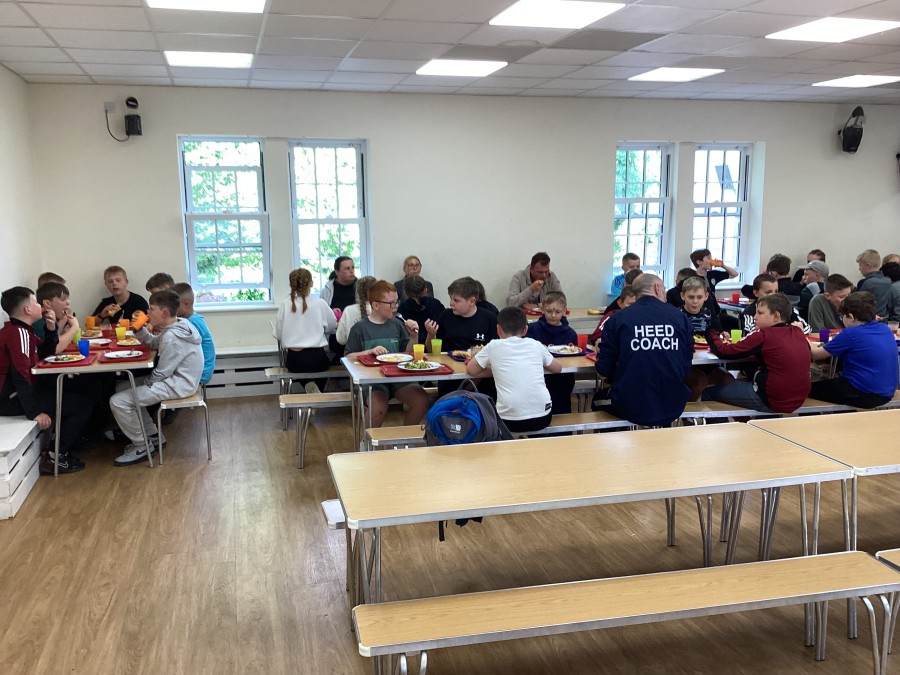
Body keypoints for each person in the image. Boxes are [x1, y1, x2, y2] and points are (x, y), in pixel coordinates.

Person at [0, 287, 97, 474]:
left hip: (22, 392)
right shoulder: (17, 333)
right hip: (10, 399)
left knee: (84, 390)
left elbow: (45, 353)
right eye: (36, 302)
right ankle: (55, 456)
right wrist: (34, 412)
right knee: (81, 405)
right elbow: (21, 376)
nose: (40, 305)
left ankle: (66, 445)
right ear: (28, 309)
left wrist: (51, 329)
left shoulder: (22, 330)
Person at [109, 289, 203, 466]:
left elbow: (162, 372)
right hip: (174, 379)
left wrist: (147, 384)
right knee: (123, 387)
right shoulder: (177, 325)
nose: (147, 312)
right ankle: (152, 434)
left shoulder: (173, 336)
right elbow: (153, 343)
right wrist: (139, 330)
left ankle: (142, 446)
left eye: (151, 309)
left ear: (164, 312)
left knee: (118, 401)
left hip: (178, 384)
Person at [593, 273, 693, 427]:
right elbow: (686, 368)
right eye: (664, 289)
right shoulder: (680, 317)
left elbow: (604, 372)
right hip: (673, 404)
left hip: (630, 405)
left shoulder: (618, 319)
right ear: (657, 288)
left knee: (597, 400)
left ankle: (615, 441)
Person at [703, 293, 811, 413]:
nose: (755, 317)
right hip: (799, 397)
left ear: (776, 316)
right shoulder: (797, 332)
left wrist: (711, 331)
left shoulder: (764, 336)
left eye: (760, 313)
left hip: (772, 400)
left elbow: (723, 351)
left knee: (707, 392)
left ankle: (742, 423)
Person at [344, 280, 429, 428]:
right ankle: (368, 440)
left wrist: (414, 336)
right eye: (391, 303)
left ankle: (404, 437)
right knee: (378, 408)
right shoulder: (360, 328)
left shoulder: (398, 324)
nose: (396, 307)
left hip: (399, 378)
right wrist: (369, 352)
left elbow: (408, 353)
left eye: (397, 302)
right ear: (375, 305)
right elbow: (348, 357)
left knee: (421, 400)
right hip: (373, 382)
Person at [467, 307, 562, 433]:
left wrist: (495, 370)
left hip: (509, 421)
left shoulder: (493, 346)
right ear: (525, 329)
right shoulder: (535, 344)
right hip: (543, 417)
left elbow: (471, 370)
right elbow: (558, 368)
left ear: (498, 329)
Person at [809, 292, 897, 408]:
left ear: (850, 316)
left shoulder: (850, 333)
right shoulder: (884, 328)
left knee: (808, 389)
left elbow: (815, 354)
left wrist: (801, 335)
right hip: (887, 391)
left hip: (864, 394)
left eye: (842, 316)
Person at [425, 277, 498, 397]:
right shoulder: (446, 316)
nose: (451, 303)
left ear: (472, 301)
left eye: (456, 300)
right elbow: (432, 351)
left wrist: (475, 378)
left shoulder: (489, 319)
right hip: (450, 376)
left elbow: (495, 353)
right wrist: (431, 334)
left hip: (481, 378)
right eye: (450, 298)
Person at [275, 269, 337, 394]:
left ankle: (309, 386)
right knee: (326, 366)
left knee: (297, 370)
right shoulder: (320, 303)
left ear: (292, 284)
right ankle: (315, 393)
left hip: (295, 359)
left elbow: (279, 333)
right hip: (317, 358)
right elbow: (332, 326)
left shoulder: (285, 304)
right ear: (311, 283)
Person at [679, 277, 732, 400]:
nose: (695, 301)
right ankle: (688, 411)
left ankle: (718, 411)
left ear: (706, 296)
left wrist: (723, 335)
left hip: (709, 361)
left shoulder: (708, 314)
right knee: (700, 381)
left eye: (699, 297)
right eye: (691, 297)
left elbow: (718, 333)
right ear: (682, 296)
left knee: (729, 380)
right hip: (687, 363)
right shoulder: (677, 315)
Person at [524, 291, 577, 414]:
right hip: (537, 380)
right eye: (549, 311)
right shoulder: (532, 330)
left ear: (564, 311)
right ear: (542, 310)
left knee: (562, 413)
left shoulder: (570, 334)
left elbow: (574, 360)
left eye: (557, 312)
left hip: (562, 381)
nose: (553, 315)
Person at [173, 282, 215, 387]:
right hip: (197, 369)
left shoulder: (192, 322)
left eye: (174, 305)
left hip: (200, 373)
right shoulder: (190, 319)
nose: (171, 308)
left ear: (186, 304)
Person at [740, 274, 809, 335]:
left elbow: (806, 329)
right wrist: (788, 330)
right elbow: (752, 335)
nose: (773, 295)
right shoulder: (749, 312)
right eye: (768, 292)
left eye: (776, 291)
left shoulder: (787, 309)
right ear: (756, 293)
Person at [320, 256, 358, 364]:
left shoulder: (360, 287)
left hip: (356, 331)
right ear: (337, 272)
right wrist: (331, 313)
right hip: (334, 332)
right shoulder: (327, 290)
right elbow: (321, 313)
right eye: (347, 268)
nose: (351, 271)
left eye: (353, 267)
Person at [399, 275, 444, 345]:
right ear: (425, 290)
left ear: (405, 292)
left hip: (411, 347)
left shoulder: (402, 307)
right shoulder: (436, 304)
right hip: (435, 346)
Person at [34, 282, 79, 348]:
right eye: (63, 299)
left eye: (68, 298)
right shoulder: (39, 322)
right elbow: (54, 348)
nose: (68, 302)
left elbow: (56, 337)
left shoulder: (51, 318)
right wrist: (74, 327)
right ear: (47, 303)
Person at [335, 276, 376, 346]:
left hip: (354, 352)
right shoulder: (381, 309)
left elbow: (341, 339)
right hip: (380, 352)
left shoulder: (348, 311)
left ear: (357, 292)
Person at [856, 249, 891, 319]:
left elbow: (859, 305)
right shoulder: (888, 281)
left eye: (860, 266)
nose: (859, 269)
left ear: (868, 265)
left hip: (869, 319)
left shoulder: (866, 283)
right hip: (884, 319)